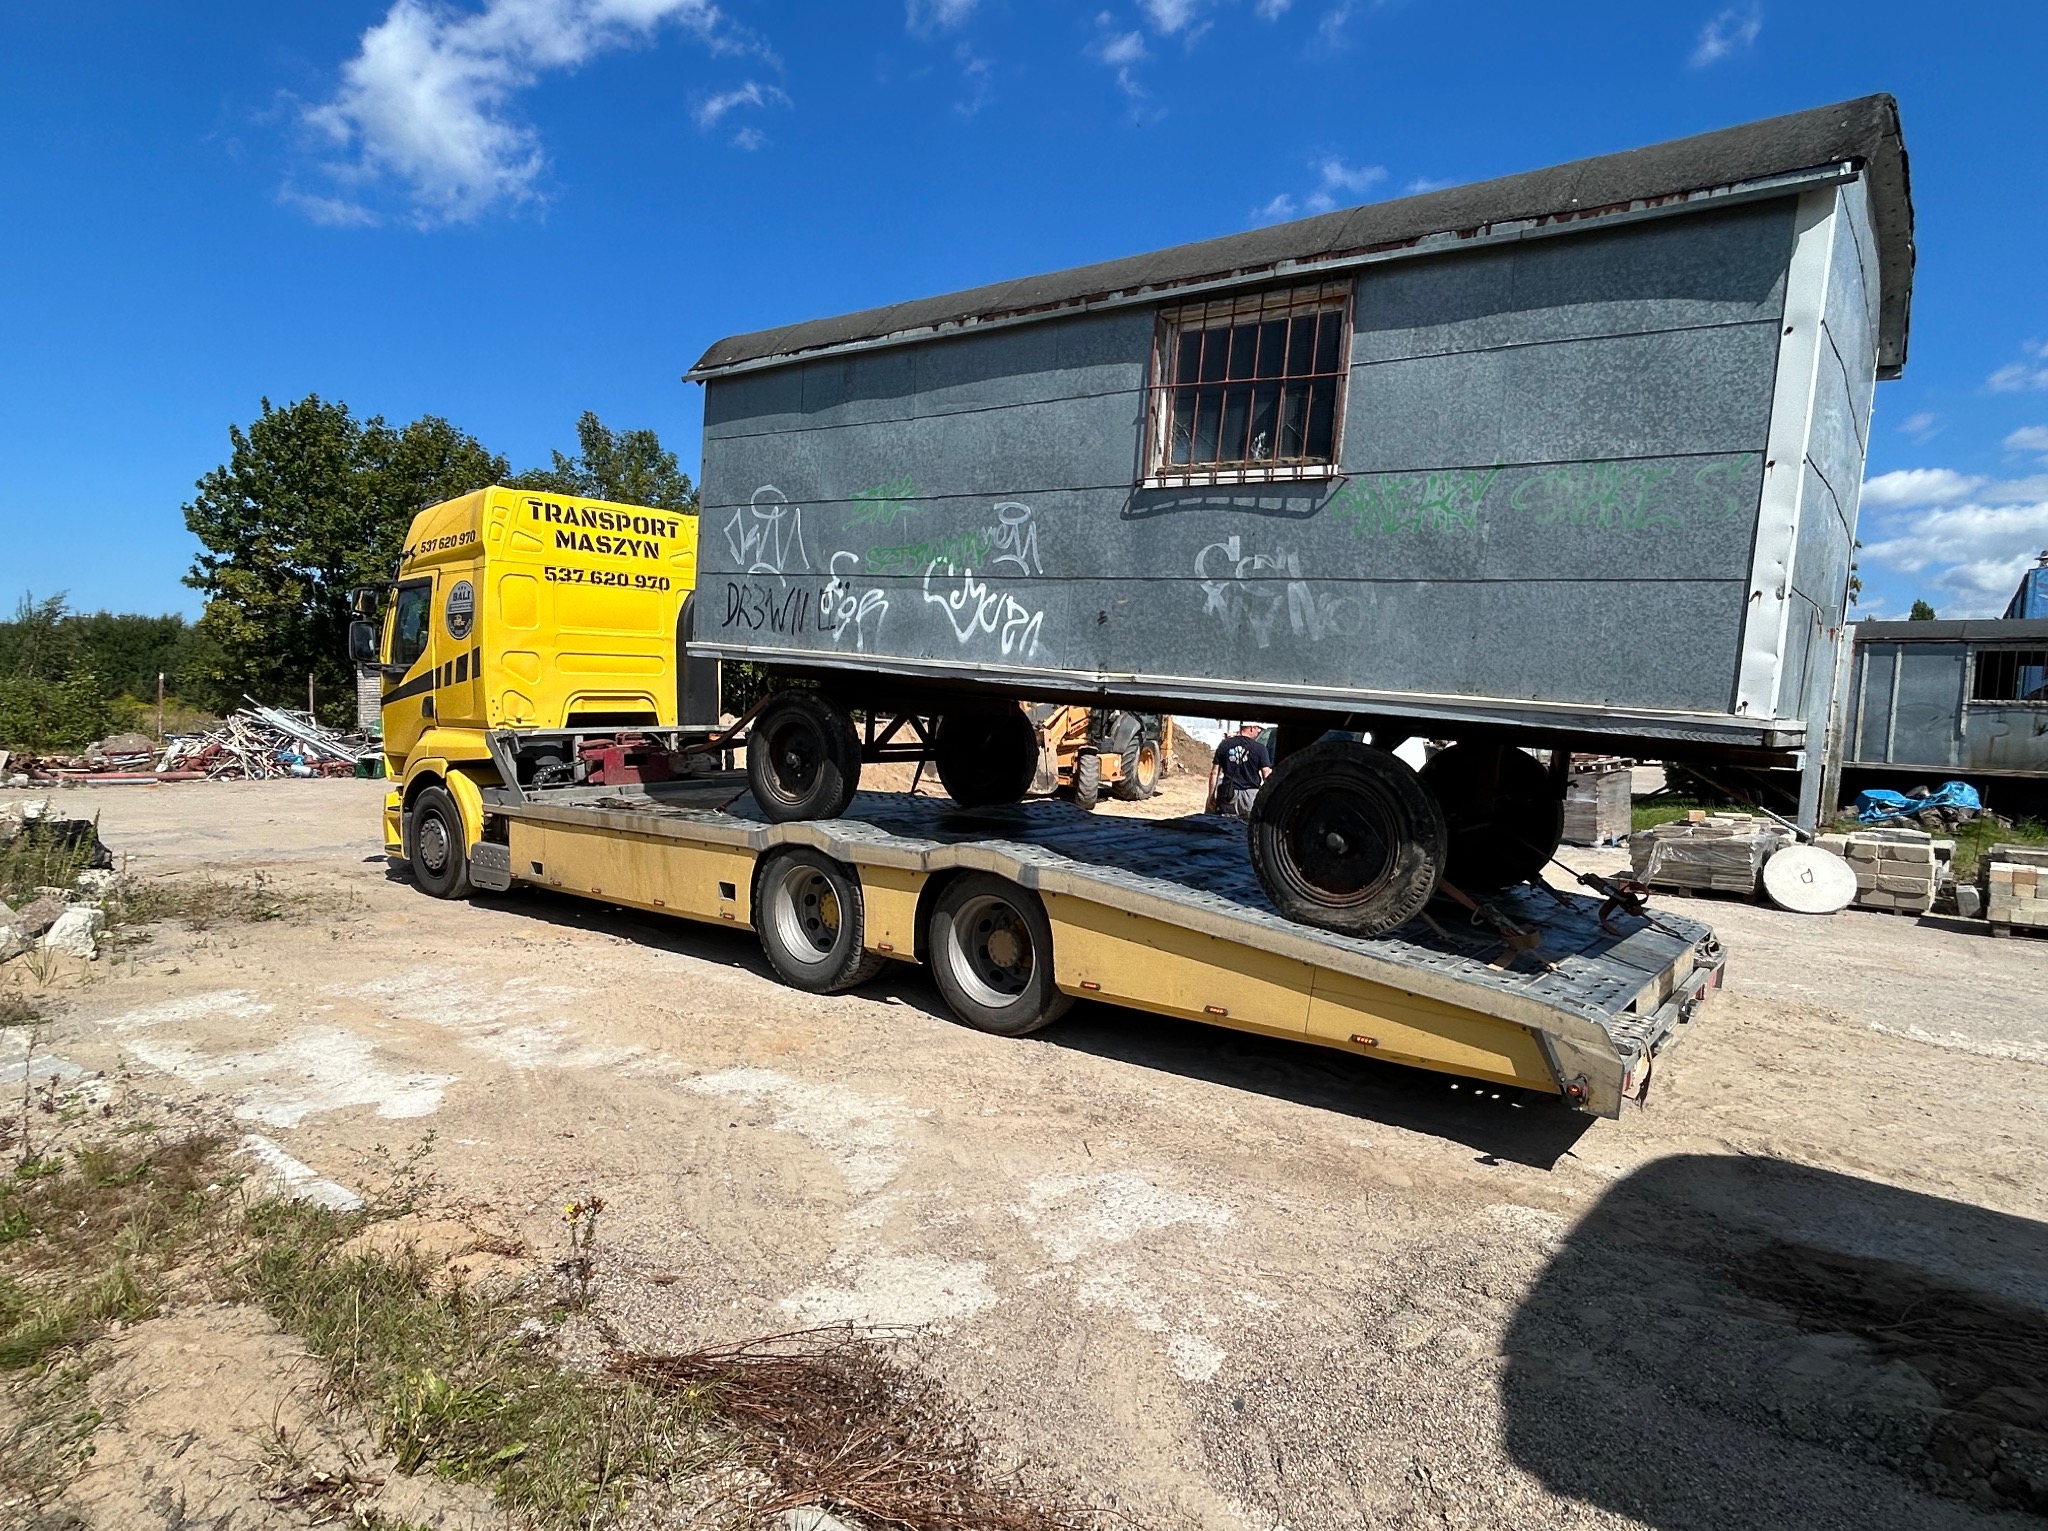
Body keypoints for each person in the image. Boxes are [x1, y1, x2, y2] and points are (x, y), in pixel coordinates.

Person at [1210, 722, 1272, 819]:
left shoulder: (1224, 745)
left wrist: (1211, 795)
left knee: (1225, 825)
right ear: (1252, 728)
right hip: (1250, 797)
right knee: (1248, 828)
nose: (1258, 731)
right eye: (1257, 729)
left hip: (1228, 794)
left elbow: (1214, 772)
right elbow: (1267, 774)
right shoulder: (1260, 749)